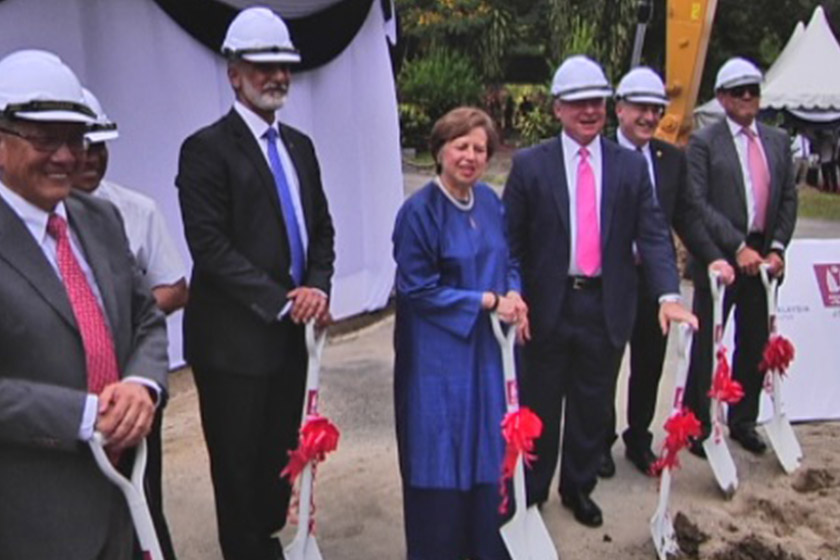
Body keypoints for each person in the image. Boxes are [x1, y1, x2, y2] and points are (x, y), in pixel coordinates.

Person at [503, 55, 697, 528]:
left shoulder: (629, 167)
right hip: (547, 305)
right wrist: (512, 294)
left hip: (605, 304)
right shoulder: (531, 166)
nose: (589, 111)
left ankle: (578, 487)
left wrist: (668, 294)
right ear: (557, 109)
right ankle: (532, 490)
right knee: (541, 403)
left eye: (597, 102)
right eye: (578, 103)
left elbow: (652, 233)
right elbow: (510, 240)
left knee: (592, 407)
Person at [176, 7, 335, 559]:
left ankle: (267, 538)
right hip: (233, 345)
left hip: (291, 339)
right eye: (261, 65)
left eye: (284, 65)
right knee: (238, 465)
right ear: (233, 73)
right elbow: (211, 249)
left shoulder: (300, 147)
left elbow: (321, 231)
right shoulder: (205, 150)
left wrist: (316, 288)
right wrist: (282, 302)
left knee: (278, 455)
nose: (276, 76)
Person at [0, 49, 169, 559]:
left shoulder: (99, 219)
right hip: (31, 524)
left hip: (122, 509)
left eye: (76, 138)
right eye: (45, 138)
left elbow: (146, 319)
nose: (67, 156)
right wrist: (84, 416)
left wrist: (142, 385)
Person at [393, 106, 527, 560]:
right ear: (440, 150)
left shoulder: (490, 202)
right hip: (437, 358)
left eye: (480, 149)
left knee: (488, 442)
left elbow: (509, 259)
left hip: (487, 353)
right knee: (442, 446)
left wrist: (515, 294)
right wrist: (486, 301)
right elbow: (416, 290)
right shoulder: (418, 213)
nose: (470, 157)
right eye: (461, 146)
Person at [72, 87, 187, 560]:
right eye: (82, 145)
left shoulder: (133, 211)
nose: (90, 157)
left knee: (142, 506)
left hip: (130, 389)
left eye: (100, 146)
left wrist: (116, 329)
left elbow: (174, 289)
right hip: (63, 402)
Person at [602, 67, 732, 477]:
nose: (648, 117)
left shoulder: (669, 159)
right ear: (619, 109)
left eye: (656, 109)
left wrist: (711, 255)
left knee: (650, 364)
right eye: (640, 108)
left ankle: (638, 438)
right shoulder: (600, 155)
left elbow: (688, 218)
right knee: (603, 365)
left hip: (656, 284)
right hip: (609, 281)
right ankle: (598, 440)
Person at [684, 57, 797, 458]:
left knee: (754, 343)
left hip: (764, 259)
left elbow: (787, 198)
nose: (747, 97)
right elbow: (697, 203)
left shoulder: (777, 141)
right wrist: (736, 248)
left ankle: (743, 419)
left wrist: (778, 248)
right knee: (707, 345)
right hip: (721, 257)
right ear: (721, 97)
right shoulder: (704, 143)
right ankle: (696, 421)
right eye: (738, 91)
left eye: (753, 90)